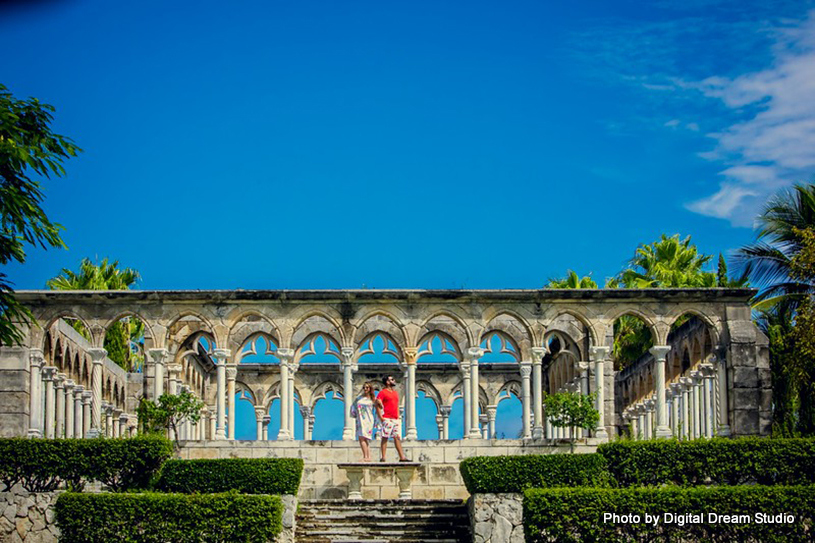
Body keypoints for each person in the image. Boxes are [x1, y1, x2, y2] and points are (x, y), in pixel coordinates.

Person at [375, 375, 408, 462]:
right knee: (385, 437)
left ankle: (402, 457)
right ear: (387, 382)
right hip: (387, 418)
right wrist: (381, 417)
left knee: (397, 437)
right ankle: (383, 457)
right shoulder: (382, 392)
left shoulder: (395, 393)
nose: (394, 381)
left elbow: (396, 405)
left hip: (395, 418)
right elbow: (377, 404)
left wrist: (398, 417)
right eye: (392, 379)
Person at [350, 381, 377, 461]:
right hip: (360, 419)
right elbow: (353, 407)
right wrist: (354, 414)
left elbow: (379, 409)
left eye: (367, 387)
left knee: (364, 438)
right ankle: (367, 456)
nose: (365, 389)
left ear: (370, 389)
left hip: (368, 420)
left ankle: (366, 457)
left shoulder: (373, 399)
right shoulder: (359, 398)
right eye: (364, 387)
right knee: (362, 438)